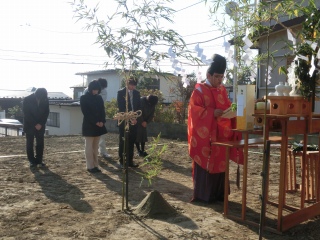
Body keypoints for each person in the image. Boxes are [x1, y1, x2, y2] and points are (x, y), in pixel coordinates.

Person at [187, 54, 244, 203]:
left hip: (222, 135)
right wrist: (212, 113)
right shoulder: (198, 91)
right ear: (208, 75)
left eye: (222, 77)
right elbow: (194, 112)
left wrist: (232, 112)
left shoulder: (222, 90)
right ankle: (203, 195)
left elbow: (227, 107)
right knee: (206, 163)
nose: (220, 80)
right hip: (206, 137)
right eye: (217, 77)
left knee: (221, 164)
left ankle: (219, 194)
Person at [80, 80, 107, 173]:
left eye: (97, 90)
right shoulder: (84, 98)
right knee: (89, 147)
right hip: (89, 125)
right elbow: (86, 113)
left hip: (99, 125)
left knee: (95, 147)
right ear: (90, 89)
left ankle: (96, 165)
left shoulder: (99, 98)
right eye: (94, 90)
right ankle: (90, 166)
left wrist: (102, 121)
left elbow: (102, 110)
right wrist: (96, 122)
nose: (95, 91)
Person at [117, 77, 141, 168]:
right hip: (124, 119)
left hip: (134, 120)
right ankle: (122, 161)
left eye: (134, 85)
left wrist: (135, 118)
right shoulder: (121, 92)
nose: (133, 87)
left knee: (131, 141)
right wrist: (129, 117)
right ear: (127, 84)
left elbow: (139, 106)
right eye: (131, 85)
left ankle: (130, 160)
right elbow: (121, 107)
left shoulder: (137, 93)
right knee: (123, 140)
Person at [22, 88, 50, 168]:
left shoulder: (45, 99)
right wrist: (35, 124)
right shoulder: (27, 99)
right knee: (30, 143)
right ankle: (31, 160)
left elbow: (46, 112)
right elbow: (26, 114)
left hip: (40, 125)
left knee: (40, 143)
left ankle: (39, 160)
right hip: (29, 125)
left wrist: (41, 124)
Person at [83, 78, 110, 158]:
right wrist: (94, 120)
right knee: (90, 139)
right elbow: (86, 108)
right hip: (91, 118)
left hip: (99, 115)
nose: (101, 89)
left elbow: (102, 104)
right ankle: (90, 154)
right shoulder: (87, 91)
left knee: (101, 136)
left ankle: (102, 151)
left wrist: (101, 120)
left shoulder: (103, 91)